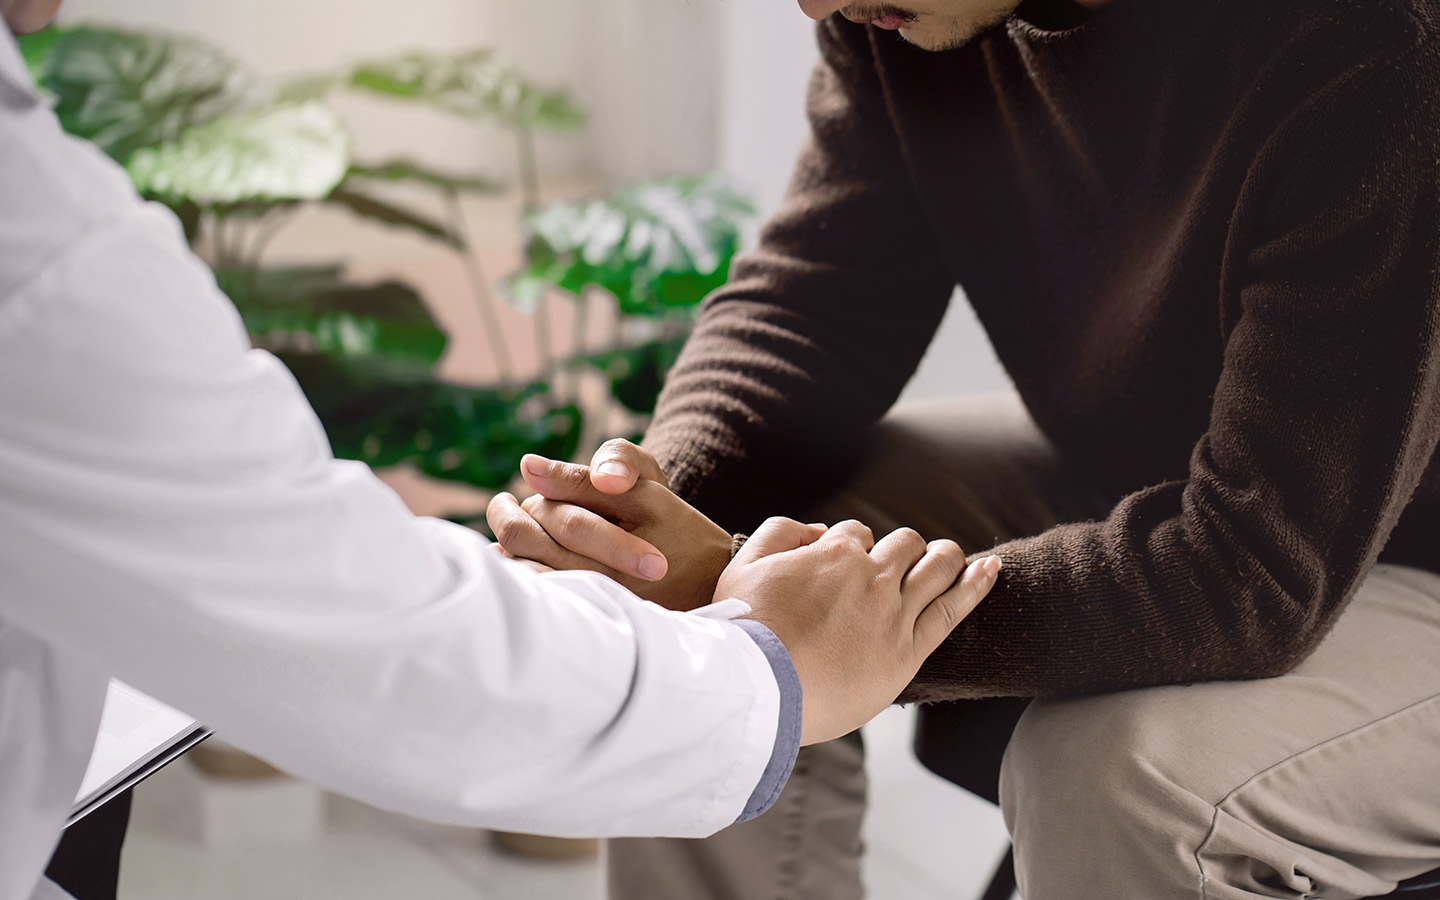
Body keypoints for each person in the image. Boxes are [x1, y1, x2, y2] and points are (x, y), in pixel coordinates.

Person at [0, 1, 1005, 898]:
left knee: (1097, 759)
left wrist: (784, 642)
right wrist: (715, 609)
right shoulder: (35, 241)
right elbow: (358, 640)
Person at [488, 0, 1440, 896]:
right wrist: (648, 528)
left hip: (1389, 552)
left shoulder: (1377, 56)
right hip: (1183, 473)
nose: (816, 6)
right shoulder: (906, 22)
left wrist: (804, 619)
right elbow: (820, 300)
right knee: (696, 611)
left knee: (1120, 774)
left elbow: (1253, 571)